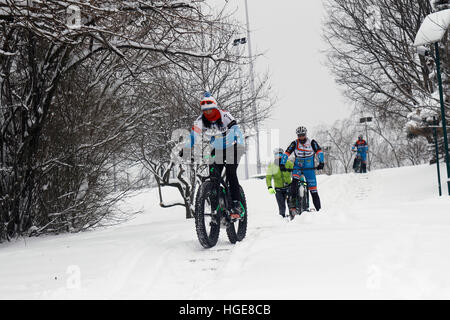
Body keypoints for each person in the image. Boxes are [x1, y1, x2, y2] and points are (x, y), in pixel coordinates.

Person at [181, 92, 245, 219]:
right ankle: (216, 207)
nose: (208, 113)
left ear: (215, 108)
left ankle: (237, 203)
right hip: (218, 149)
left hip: (233, 146)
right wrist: (186, 149)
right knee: (213, 175)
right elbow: (193, 137)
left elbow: (236, 129)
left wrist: (240, 142)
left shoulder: (224, 115)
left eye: (210, 110)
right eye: (205, 111)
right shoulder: (200, 121)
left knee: (231, 172)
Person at [279, 126, 324, 214]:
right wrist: (282, 164)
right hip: (298, 167)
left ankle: (319, 211)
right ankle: (293, 205)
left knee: (313, 191)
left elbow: (319, 152)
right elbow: (287, 153)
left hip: (309, 169)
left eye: (303, 135)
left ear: (305, 134)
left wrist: (321, 162)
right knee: (294, 183)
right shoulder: (294, 143)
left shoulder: (312, 142)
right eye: (299, 135)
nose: (301, 137)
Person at [266, 148, 294, 218]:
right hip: (278, 189)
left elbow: (295, 172)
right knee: (281, 206)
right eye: (277, 154)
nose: (279, 156)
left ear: (283, 154)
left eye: (280, 154)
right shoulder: (271, 166)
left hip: (289, 187)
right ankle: (282, 217)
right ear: (274, 155)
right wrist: (269, 187)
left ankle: (293, 217)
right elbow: (268, 177)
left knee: (291, 204)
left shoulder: (288, 163)